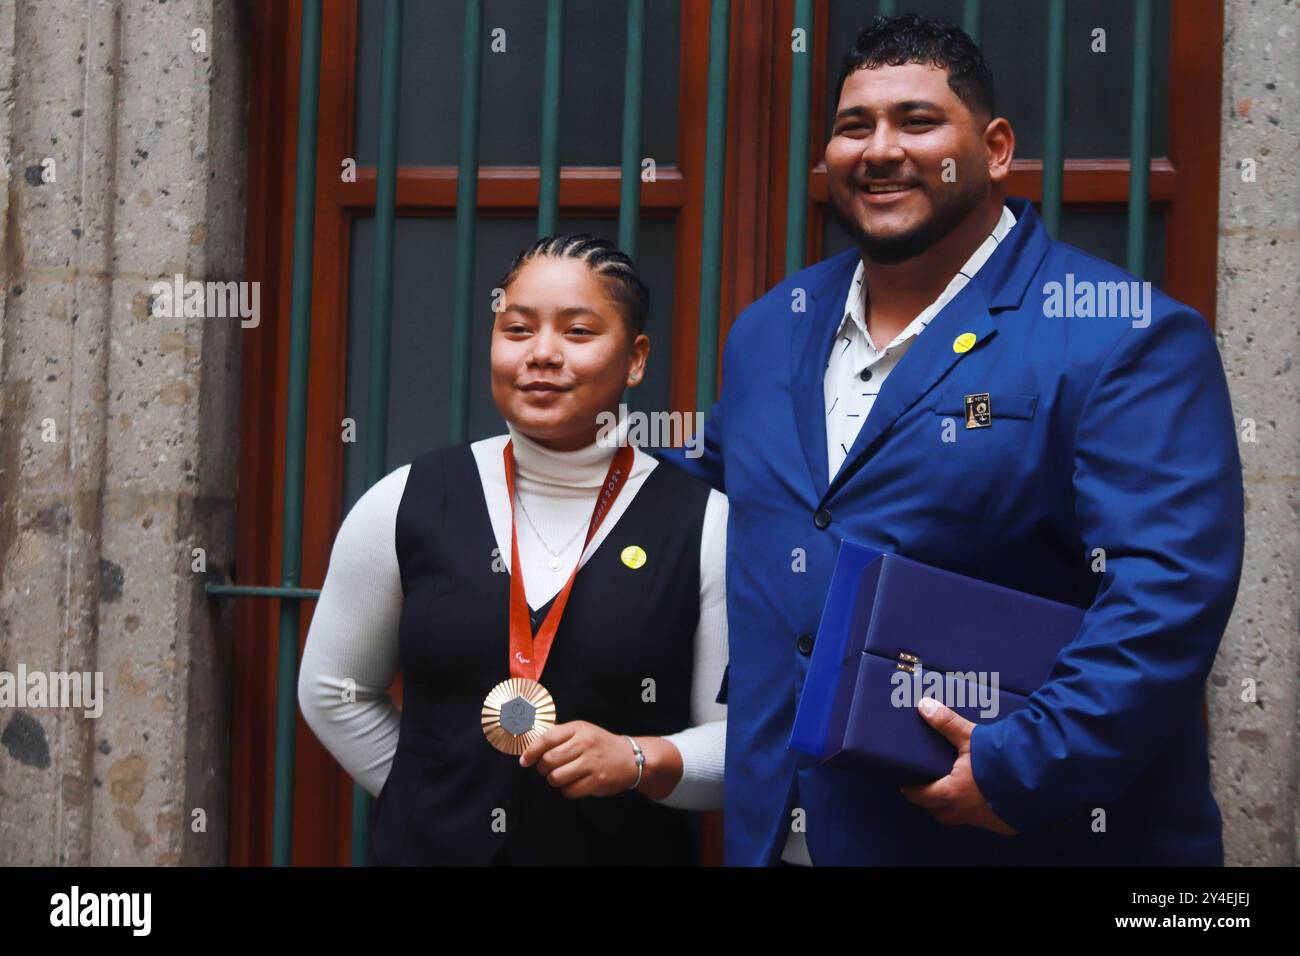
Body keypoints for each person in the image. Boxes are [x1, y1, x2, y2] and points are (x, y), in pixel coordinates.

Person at [660, 14, 1243, 866]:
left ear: (996, 147)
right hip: (779, 831)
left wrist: (1022, 765)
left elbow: (1168, 591)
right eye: (854, 127)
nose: (881, 149)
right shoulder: (770, 329)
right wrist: (564, 444)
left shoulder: (1124, 335)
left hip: (1013, 831)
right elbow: (727, 482)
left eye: (918, 120)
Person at [299, 234, 728, 865]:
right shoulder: (407, 500)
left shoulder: (702, 522)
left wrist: (638, 760)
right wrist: (433, 797)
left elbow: (737, 746)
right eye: (518, 329)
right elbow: (333, 689)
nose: (542, 355)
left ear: (636, 360)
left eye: (578, 333)